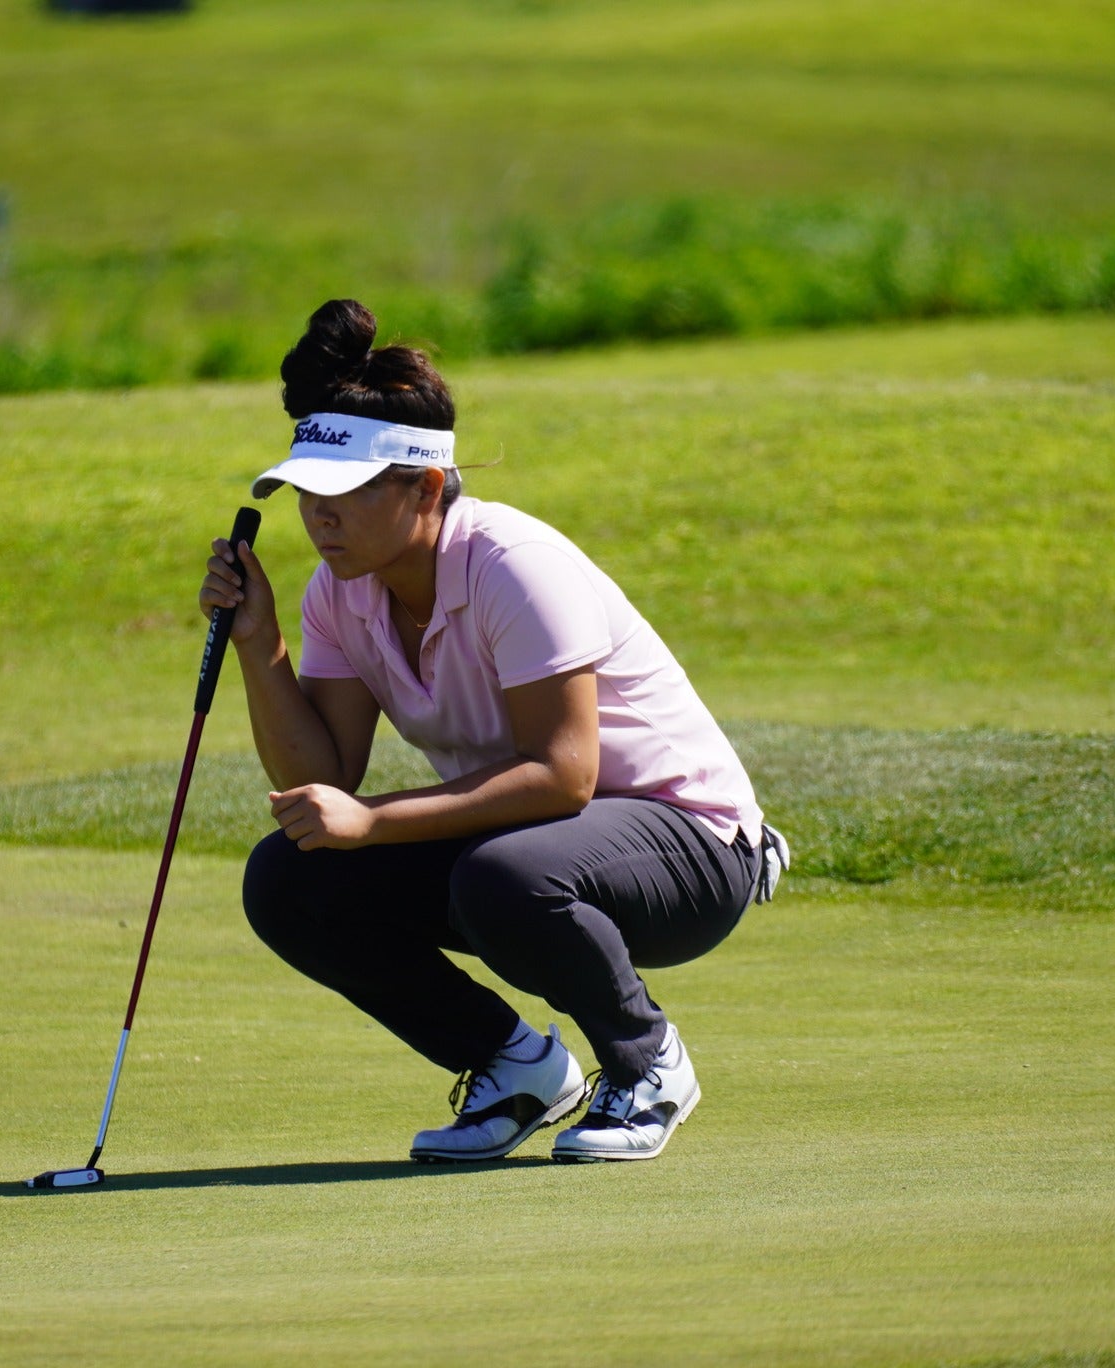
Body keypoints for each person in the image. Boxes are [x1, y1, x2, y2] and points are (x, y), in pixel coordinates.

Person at [199, 299, 788, 1164]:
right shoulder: (340, 591)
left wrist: (375, 823)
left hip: (692, 848)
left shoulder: (514, 565)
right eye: (304, 495)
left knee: (501, 875)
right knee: (290, 877)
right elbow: (323, 775)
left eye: (346, 493)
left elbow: (562, 779)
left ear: (427, 486)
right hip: (533, 849)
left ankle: (647, 1063)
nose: (318, 517)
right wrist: (263, 646)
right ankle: (513, 1067)